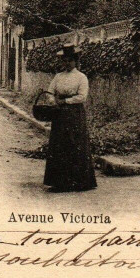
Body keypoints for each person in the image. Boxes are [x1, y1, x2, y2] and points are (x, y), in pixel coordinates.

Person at [43, 44, 97, 192]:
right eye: (64, 61)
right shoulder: (58, 76)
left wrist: (66, 101)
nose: (67, 63)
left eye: (70, 61)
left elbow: (82, 97)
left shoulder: (81, 77)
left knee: (75, 144)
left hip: (74, 114)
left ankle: (78, 182)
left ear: (75, 61)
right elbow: (49, 91)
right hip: (59, 114)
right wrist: (53, 102)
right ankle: (59, 182)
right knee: (59, 145)